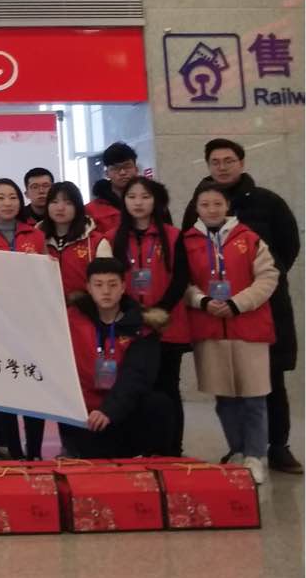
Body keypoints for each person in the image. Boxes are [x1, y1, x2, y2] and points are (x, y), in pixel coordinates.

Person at [182, 138, 302, 474]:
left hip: (263, 308)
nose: (222, 167)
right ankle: (239, 449)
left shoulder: (268, 202)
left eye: (228, 160)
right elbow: (188, 263)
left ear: (242, 162)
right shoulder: (195, 209)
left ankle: (276, 448)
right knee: (226, 390)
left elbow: (288, 248)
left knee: (268, 383)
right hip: (214, 315)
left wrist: (251, 292)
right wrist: (209, 300)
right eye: (215, 162)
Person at [183, 182, 279, 484]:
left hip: (248, 327)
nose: (211, 210)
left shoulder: (248, 238)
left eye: (217, 204)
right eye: (205, 205)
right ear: (196, 208)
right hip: (210, 329)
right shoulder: (187, 242)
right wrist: (203, 301)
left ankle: (256, 455)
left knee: (254, 398)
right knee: (224, 398)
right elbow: (182, 283)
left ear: (227, 206)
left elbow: (268, 277)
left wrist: (238, 304)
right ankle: (237, 450)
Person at [59, 258, 174, 459]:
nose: (106, 291)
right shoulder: (69, 320)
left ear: (123, 287)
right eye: (98, 285)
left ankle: (153, 457)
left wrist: (109, 410)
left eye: (112, 285)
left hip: (121, 412)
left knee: (159, 403)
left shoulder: (142, 328)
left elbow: (136, 377)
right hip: (84, 413)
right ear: (88, 288)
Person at [112, 177, 191, 456]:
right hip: (130, 324)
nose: (138, 202)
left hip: (167, 324)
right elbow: (110, 278)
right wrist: (135, 312)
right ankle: (143, 447)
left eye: (145, 196)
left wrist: (160, 310)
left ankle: (173, 450)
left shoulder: (173, 235)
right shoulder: (113, 236)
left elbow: (181, 278)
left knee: (168, 388)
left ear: (156, 201)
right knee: (135, 387)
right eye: (132, 196)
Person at [0, 179, 49, 461]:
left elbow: (45, 279)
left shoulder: (35, 235)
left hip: (30, 323)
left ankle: (35, 451)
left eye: (13, 197)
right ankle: (14, 450)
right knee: (5, 387)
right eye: (1, 197)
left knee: (33, 385)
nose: (7, 203)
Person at [39, 182, 112, 301]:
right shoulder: (36, 239)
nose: (60, 208)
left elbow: (106, 283)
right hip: (45, 307)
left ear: (78, 207)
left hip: (85, 308)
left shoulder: (96, 242)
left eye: (68, 203)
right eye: (54, 202)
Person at [86, 142, 138, 235]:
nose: (122, 172)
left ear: (136, 169)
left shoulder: (151, 203)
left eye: (127, 166)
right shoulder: (91, 211)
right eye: (116, 168)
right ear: (107, 173)